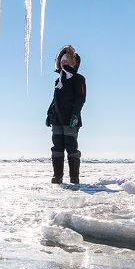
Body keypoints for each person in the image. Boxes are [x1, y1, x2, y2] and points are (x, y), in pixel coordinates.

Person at [46, 45, 86, 184]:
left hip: (71, 119)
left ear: (72, 61)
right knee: (57, 147)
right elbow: (54, 99)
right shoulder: (59, 81)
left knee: (71, 147)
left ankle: (74, 178)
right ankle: (58, 177)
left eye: (66, 60)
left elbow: (81, 98)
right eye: (61, 60)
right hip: (57, 119)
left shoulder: (78, 79)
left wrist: (75, 115)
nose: (63, 62)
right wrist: (49, 113)